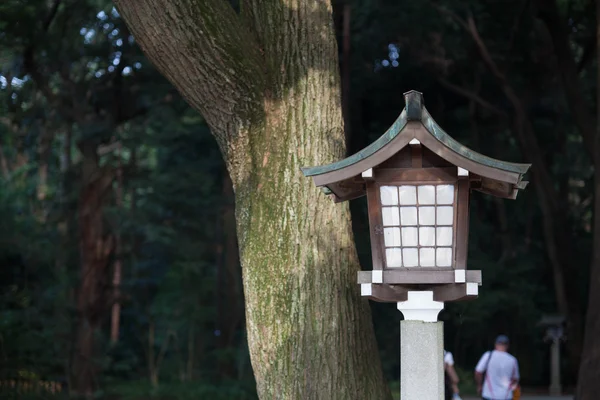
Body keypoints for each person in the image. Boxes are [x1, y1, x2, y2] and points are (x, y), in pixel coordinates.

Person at [475, 335, 520, 400]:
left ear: (496, 344)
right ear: (507, 346)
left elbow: (478, 372)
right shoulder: (513, 360)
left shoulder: (488, 355)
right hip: (506, 396)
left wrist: (479, 385)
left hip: (488, 395)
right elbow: (515, 379)